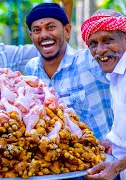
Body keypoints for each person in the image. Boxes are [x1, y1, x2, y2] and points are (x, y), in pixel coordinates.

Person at [24, 3, 113, 141]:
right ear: (31, 36)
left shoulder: (89, 60)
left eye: (51, 27)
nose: (44, 35)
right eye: (37, 30)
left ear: (66, 31)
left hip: (104, 157)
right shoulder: (32, 69)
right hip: (59, 158)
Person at [82, 9, 126, 180]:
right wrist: (115, 144)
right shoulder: (116, 74)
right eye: (93, 44)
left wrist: (117, 166)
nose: (100, 50)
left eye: (108, 40)